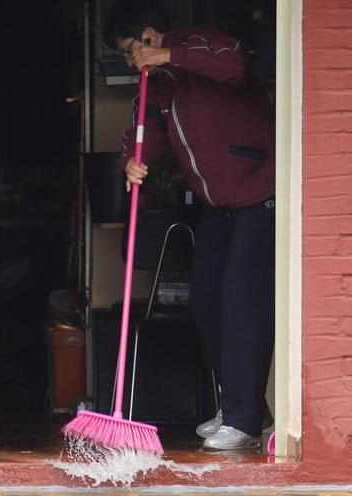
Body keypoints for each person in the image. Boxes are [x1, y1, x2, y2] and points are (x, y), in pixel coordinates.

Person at [105, 0, 275, 451]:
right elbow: (144, 132)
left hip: (259, 194)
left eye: (129, 51)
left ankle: (244, 420)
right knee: (206, 302)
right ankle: (236, 405)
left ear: (148, 36)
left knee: (242, 304)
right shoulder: (157, 87)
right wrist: (132, 164)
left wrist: (166, 55)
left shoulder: (197, 43)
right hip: (217, 205)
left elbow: (234, 63)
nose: (129, 61)